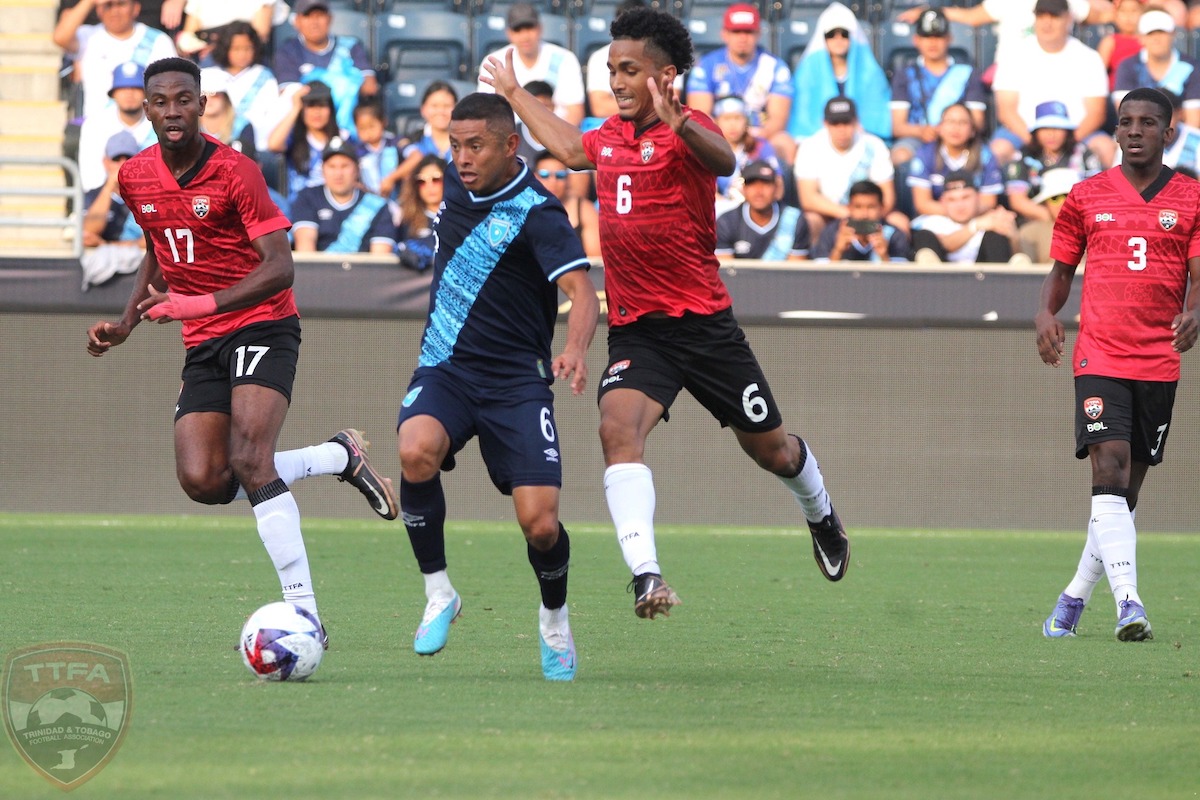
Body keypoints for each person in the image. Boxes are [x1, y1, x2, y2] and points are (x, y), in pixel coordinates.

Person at [481, 7, 850, 620]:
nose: (618, 81)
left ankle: (821, 513)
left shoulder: (691, 130)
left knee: (774, 452)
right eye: (611, 70)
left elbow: (726, 161)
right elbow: (572, 148)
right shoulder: (609, 136)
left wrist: (683, 124)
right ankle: (646, 576)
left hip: (705, 328)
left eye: (630, 70)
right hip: (638, 330)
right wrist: (515, 91)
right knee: (616, 430)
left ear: (665, 75)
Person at [85, 57, 399, 642]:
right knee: (205, 480)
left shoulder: (236, 171)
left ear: (203, 105)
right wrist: (127, 322)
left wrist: (199, 305)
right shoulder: (135, 177)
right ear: (145, 108)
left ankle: (304, 614)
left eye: (184, 99)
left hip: (261, 323)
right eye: (160, 100)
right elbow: (158, 246)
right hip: (202, 338)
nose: (172, 110)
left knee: (252, 458)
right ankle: (336, 457)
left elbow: (281, 268)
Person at [395, 93, 598, 681]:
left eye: (475, 145)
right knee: (415, 451)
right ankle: (439, 593)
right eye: (454, 145)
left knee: (539, 523)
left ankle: (555, 620)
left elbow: (582, 293)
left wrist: (576, 349)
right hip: (447, 369)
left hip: (516, 384)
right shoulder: (457, 188)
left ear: (512, 147)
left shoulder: (539, 212)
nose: (460, 158)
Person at [1036, 87, 1200, 642]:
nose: (1134, 130)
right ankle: (1130, 605)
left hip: (1159, 358)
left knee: (1124, 496)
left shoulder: (1192, 197)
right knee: (1108, 468)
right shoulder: (1085, 195)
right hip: (1100, 352)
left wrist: (1195, 312)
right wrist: (1045, 313)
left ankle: (1074, 595)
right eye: (1125, 122)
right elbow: (1061, 271)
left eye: (1147, 123)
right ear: (1116, 132)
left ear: (1167, 133)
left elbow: (1198, 280)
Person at [990, 0, 1113, 167]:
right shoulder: (1013, 55)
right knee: (998, 149)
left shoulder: (1089, 58)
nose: (1047, 22)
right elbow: (1006, 111)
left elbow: (1096, 113)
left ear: (1069, 19)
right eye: (1041, 16)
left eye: (1054, 16)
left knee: (1106, 148)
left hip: (1076, 133)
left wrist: (1067, 142)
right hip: (1024, 133)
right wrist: (1034, 141)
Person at [684, 3, 794, 160]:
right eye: (736, 31)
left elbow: (778, 119)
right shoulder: (707, 65)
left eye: (748, 32)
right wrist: (729, 137)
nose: (742, 37)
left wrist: (753, 137)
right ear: (725, 34)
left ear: (758, 33)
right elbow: (700, 114)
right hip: (718, 135)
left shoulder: (775, 67)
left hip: (759, 135)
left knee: (785, 143)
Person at [889, 8, 988, 167]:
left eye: (938, 36)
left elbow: (977, 122)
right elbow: (898, 126)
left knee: (986, 158)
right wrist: (922, 131)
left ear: (949, 39)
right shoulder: (904, 75)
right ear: (916, 40)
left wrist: (951, 133)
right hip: (919, 139)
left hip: (960, 140)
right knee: (900, 156)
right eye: (926, 37)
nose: (932, 42)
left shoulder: (968, 74)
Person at [52, 0, 178, 121]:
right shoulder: (87, 36)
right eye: (108, 5)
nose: (115, 11)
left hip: (147, 131)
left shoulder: (158, 41)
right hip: (99, 127)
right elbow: (59, 38)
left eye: (121, 4)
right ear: (98, 10)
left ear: (136, 8)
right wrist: (90, 1)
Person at [794, 97, 896, 242]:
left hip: (869, 216)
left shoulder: (873, 146)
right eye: (835, 123)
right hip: (827, 216)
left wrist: (864, 217)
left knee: (899, 222)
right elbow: (808, 198)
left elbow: (887, 198)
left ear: (856, 122)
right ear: (825, 124)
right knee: (810, 221)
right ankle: (818, 262)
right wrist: (847, 213)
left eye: (846, 123)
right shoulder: (810, 147)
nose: (841, 129)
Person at [786, 2, 891, 143]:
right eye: (831, 35)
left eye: (844, 34)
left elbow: (877, 114)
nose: (838, 40)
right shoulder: (807, 74)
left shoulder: (871, 73)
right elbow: (803, 116)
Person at [272, 0, 377, 136]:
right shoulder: (288, 51)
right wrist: (339, 83)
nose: (314, 22)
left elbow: (370, 87)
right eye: (307, 16)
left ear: (329, 18)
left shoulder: (351, 46)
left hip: (347, 130)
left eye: (319, 15)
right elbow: (288, 93)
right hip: (306, 133)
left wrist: (345, 87)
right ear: (297, 21)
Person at [475, 2, 586, 126]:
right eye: (518, 30)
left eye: (529, 28)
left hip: (555, 136)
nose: (525, 36)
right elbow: (487, 112)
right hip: (510, 138)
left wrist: (552, 142)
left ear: (540, 28)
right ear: (509, 33)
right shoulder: (495, 61)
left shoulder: (565, 59)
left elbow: (575, 112)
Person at [290, 137, 397, 255]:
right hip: (319, 271)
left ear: (357, 169)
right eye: (332, 166)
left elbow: (380, 260)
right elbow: (306, 249)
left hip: (362, 272)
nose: (338, 174)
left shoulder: (378, 206)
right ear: (323, 170)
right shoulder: (307, 197)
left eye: (345, 166)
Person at [1005, 100, 1103, 225]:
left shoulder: (1082, 153)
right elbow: (1018, 200)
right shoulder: (1024, 156)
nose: (1051, 134)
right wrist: (1052, 218)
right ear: (1036, 132)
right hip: (1038, 221)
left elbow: (1096, 194)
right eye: (1045, 128)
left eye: (1057, 128)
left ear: (1067, 131)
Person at [905, 102, 1005, 219]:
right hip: (937, 217)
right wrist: (956, 213)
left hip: (976, 217)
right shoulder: (925, 154)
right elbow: (922, 204)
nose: (955, 128)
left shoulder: (986, 156)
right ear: (940, 127)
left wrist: (966, 216)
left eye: (962, 123)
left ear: (973, 130)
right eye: (950, 122)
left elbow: (988, 202)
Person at [200, 21, 281, 154]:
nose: (242, 54)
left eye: (247, 48)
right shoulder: (209, 74)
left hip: (252, 145)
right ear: (226, 48)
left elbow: (271, 117)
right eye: (236, 49)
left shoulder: (265, 76)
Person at [77, 61, 157, 193]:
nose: (129, 94)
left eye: (136, 88)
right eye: (123, 88)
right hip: (107, 197)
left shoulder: (161, 122)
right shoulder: (95, 124)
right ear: (113, 93)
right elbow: (91, 178)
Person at [1112, 9, 1200, 128]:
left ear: (1173, 34)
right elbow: (1126, 115)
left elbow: (1193, 121)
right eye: (1150, 33)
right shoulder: (1127, 66)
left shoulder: (1192, 67)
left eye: (1162, 32)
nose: (1157, 39)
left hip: (1179, 136)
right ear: (1141, 37)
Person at [910, 170, 1018, 264]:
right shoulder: (933, 222)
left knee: (995, 237)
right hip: (942, 279)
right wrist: (976, 225)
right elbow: (946, 244)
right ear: (943, 202)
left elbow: (1015, 250)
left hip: (984, 278)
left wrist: (1012, 236)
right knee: (924, 236)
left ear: (977, 198)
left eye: (965, 198)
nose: (960, 206)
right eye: (952, 200)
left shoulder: (993, 220)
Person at [267, 80, 347, 202]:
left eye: (322, 105)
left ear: (331, 109)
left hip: (334, 207)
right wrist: (295, 108)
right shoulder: (294, 138)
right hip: (298, 207)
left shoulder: (344, 138)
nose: (316, 112)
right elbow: (273, 144)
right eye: (310, 106)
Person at [715, 159, 810, 261]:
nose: (759, 191)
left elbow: (796, 272)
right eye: (752, 184)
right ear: (744, 189)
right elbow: (725, 271)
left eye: (766, 183)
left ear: (776, 187)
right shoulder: (726, 222)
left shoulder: (795, 220)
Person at [812, 180, 912, 262]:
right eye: (858, 207)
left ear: (881, 208)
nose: (864, 214)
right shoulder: (831, 232)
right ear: (849, 208)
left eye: (871, 207)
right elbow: (822, 280)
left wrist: (884, 256)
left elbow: (899, 282)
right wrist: (838, 251)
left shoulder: (895, 236)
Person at [712, 95, 779, 216]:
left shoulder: (761, 146)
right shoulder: (709, 148)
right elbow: (708, 193)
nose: (732, 124)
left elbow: (778, 187)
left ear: (747, 121)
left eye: (738, 118)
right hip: (722, 208)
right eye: (726, 119)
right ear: (716, 121)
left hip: (756, 208)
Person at [534, 150, 601, 259]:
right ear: (534, 177)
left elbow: (596, 261)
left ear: (568, 179)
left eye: (560, 175)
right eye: (545, 175)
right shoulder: (522, 209)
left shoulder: (584, 210)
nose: (553, 181)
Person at [1016, 166, 1083, 262]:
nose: (1063, 203)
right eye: (1055, 198)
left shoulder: (1097, 231)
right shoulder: (1029, 234)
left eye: (1068, 197)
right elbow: (1026, 274)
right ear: (1045, 203)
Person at [394, 155, 444, 271]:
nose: (429, 186)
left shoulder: (462, 218)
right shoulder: (407, 220)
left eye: (436, 179)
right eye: (421, 181)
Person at [352, 101, 404, 199]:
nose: (368, 132)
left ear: (383, 122)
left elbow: (416, 156)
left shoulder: (395, 143)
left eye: (371, 126)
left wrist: (392, 178)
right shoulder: (356, 152)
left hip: (398, 199)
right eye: (362, 128)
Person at [1096, 0, 1144, 91]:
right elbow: (1098, 74)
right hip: (1117, 93)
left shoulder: (1147, 40)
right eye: (1123, 11)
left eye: (1134, 11)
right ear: (1115, 14)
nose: (1128, 16)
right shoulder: (1110, 41)